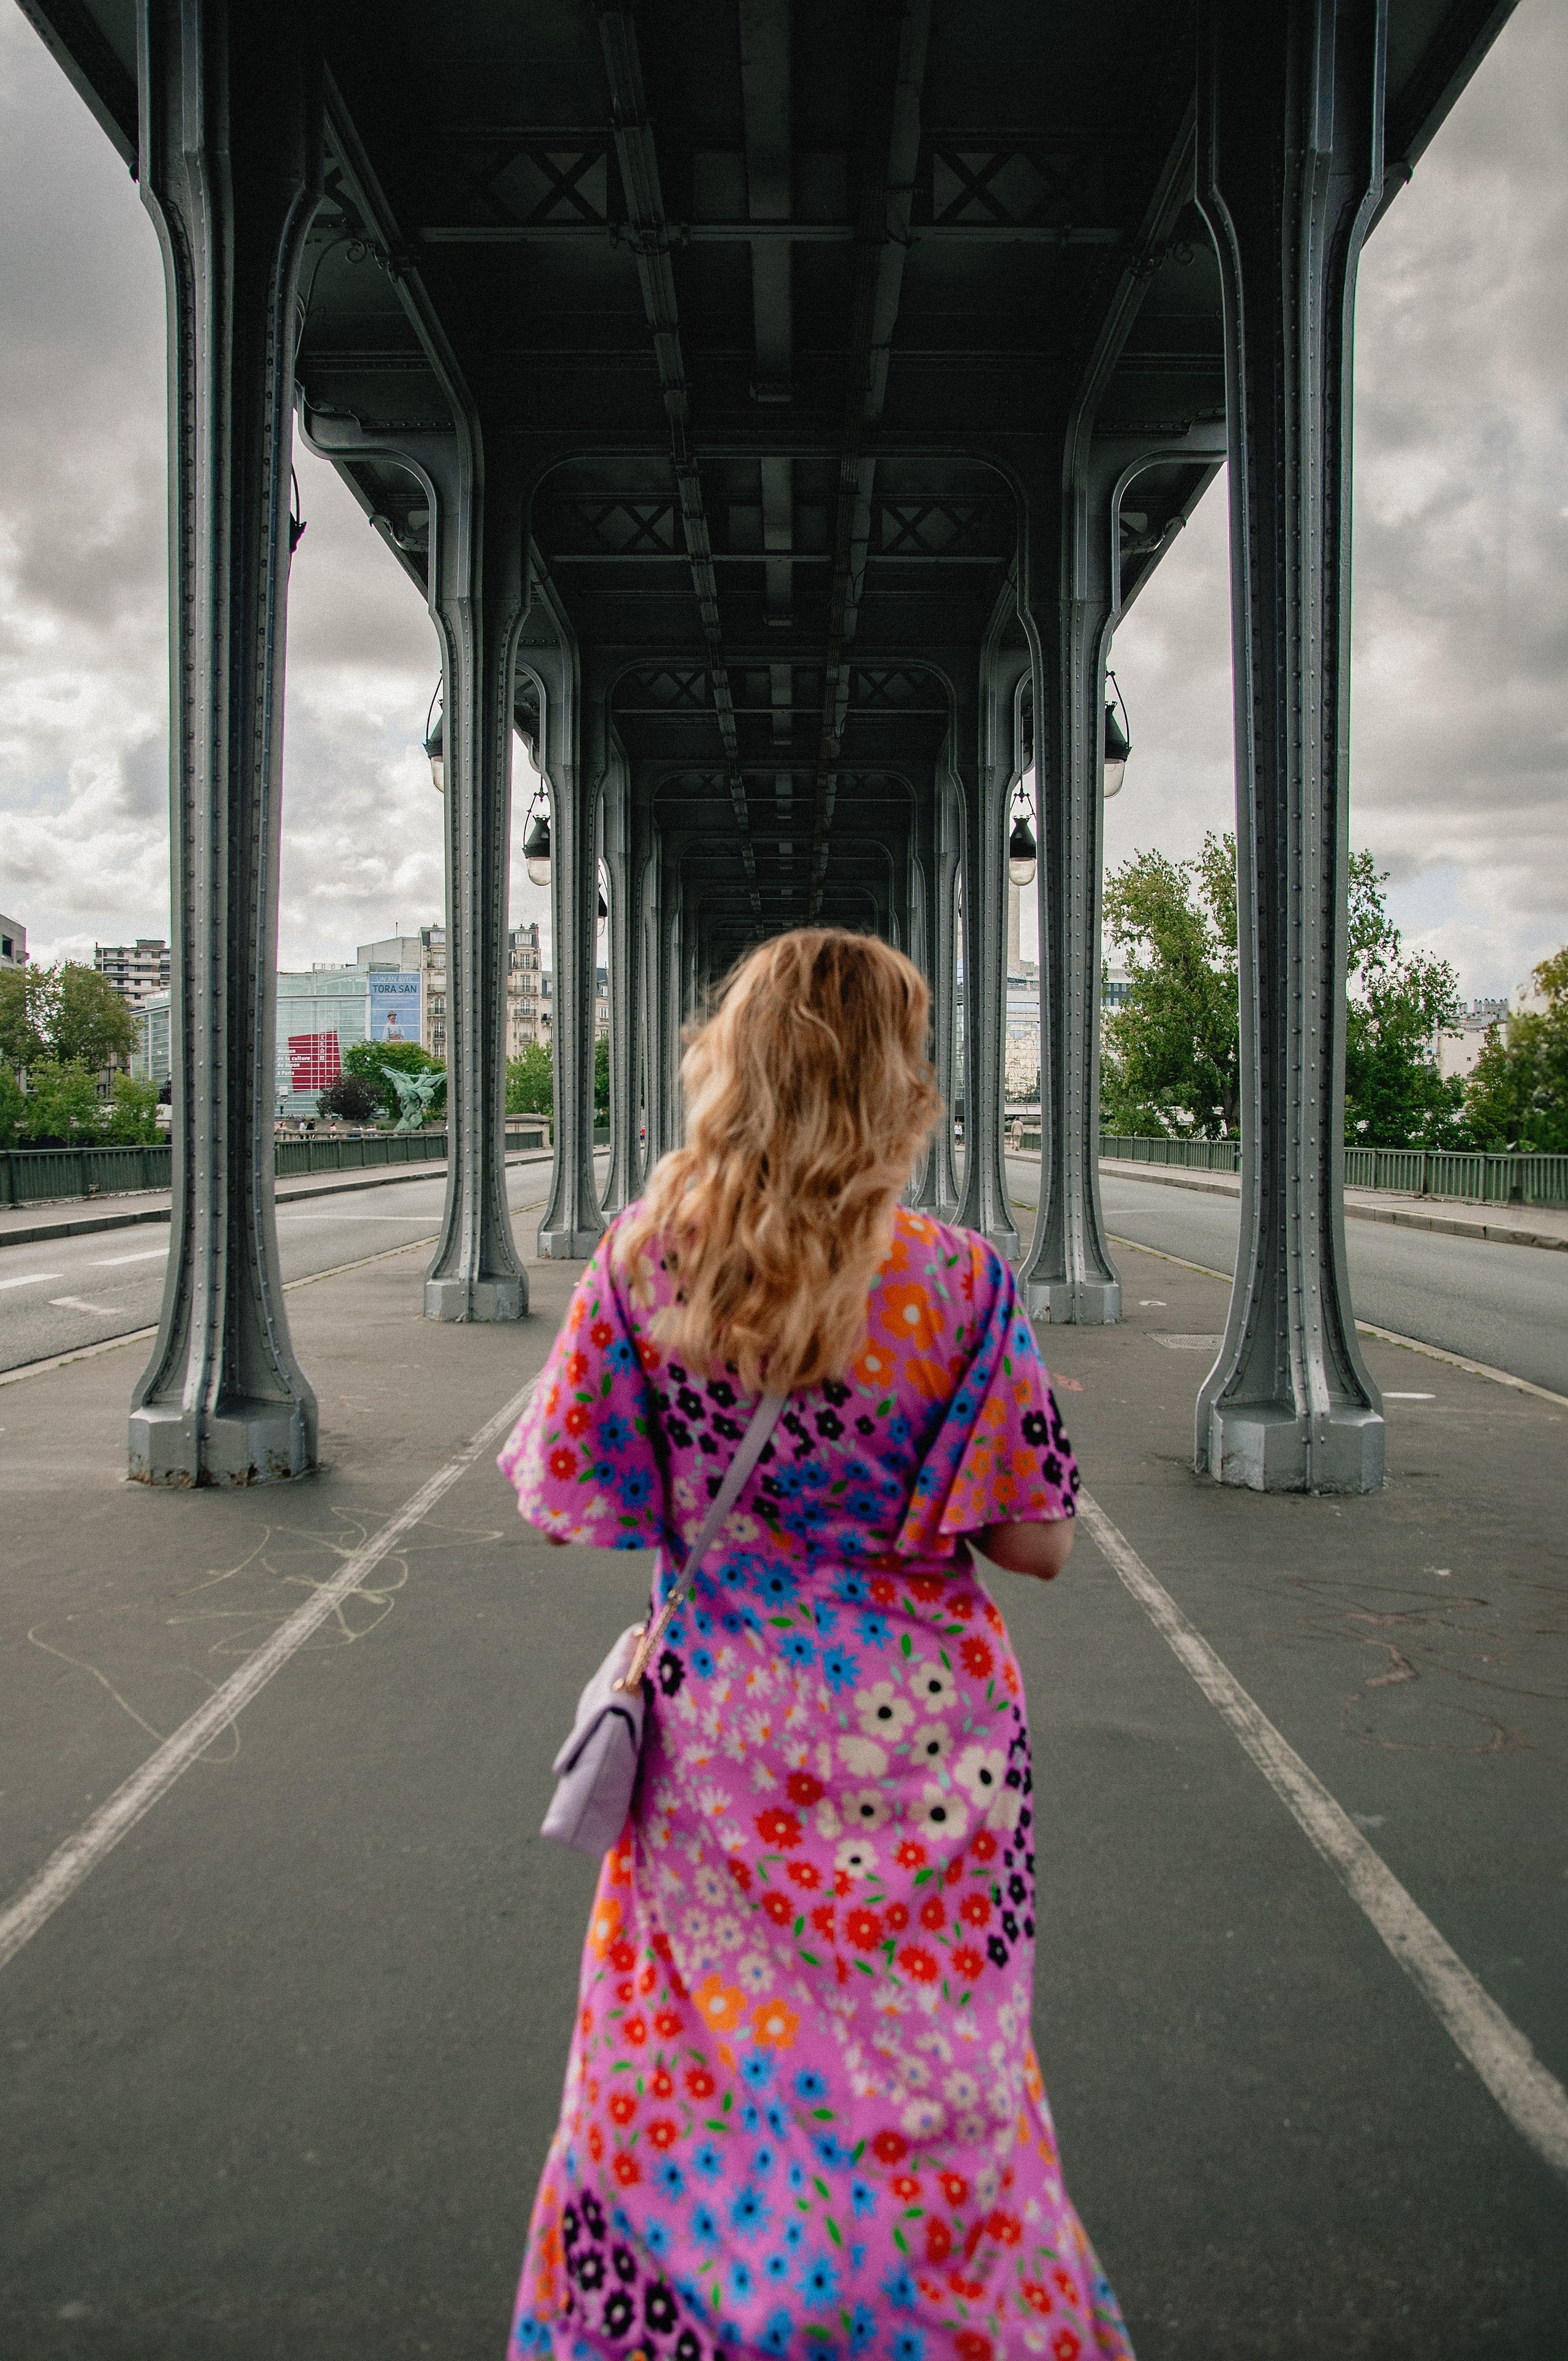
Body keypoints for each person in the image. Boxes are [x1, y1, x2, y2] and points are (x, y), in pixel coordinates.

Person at [499, 928, 1134, 2361]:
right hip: (927, 1745)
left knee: (690, 2064)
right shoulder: (958, 1285)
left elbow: (564, 1494)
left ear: (739, 1066)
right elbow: (1033, 1541)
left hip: (717, 1726)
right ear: (895, 1078)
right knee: (932, 2075)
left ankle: (686, 2320)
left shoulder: (647, 1262)